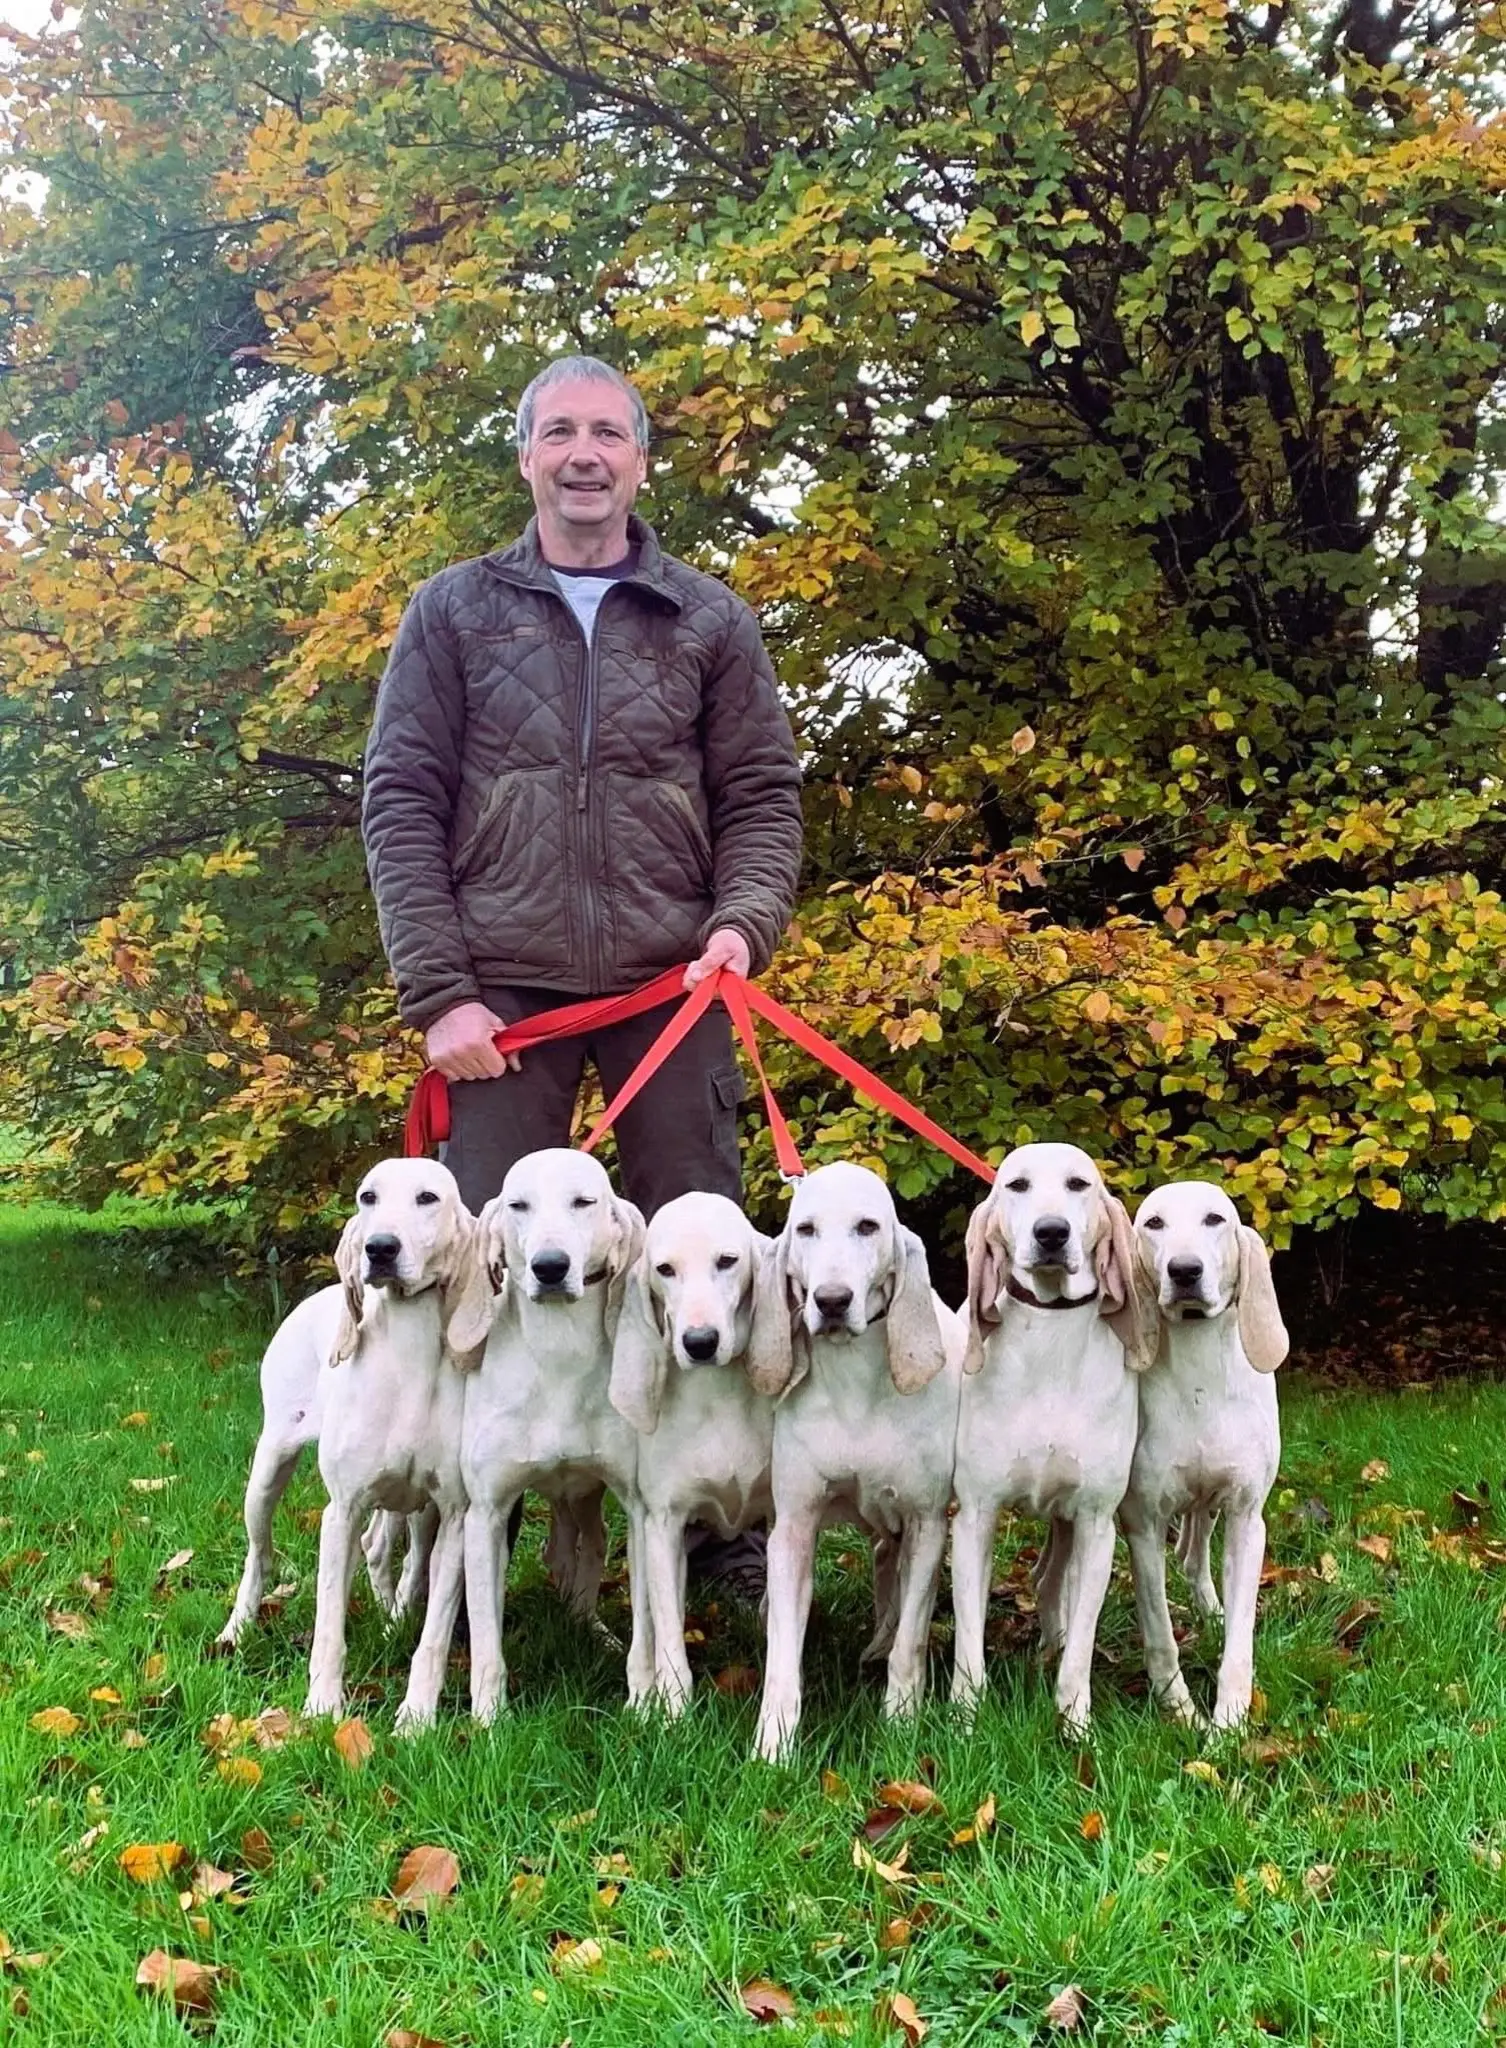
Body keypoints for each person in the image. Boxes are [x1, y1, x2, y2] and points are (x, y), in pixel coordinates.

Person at [362, 354, 804, 1593]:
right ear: (525, 457)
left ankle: (718, 1529)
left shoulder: (708, 617)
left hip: (675, 986)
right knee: (484, 1257)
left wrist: (742, 927)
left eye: (608, 432)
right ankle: (472, 1533)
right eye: (559, 431)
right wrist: (437, 992)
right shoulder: (453, 609)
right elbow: (399, 800)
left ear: (641, 460)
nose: (584, 455)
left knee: (703, 1246)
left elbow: (763, 796)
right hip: (497, 996)